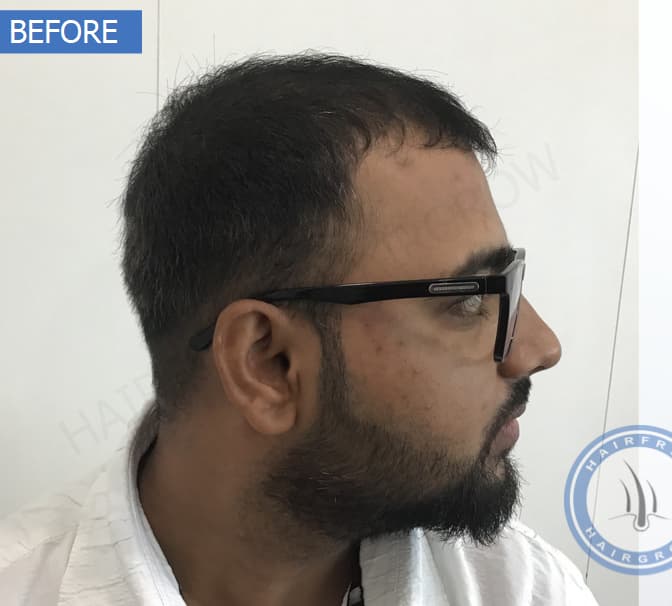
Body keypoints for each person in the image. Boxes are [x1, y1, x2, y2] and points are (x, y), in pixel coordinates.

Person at [0, 53, 598, 606]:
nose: (540, 347)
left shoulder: (523, 590)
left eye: (509, 283)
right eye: (469, 299)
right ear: (268, 363)